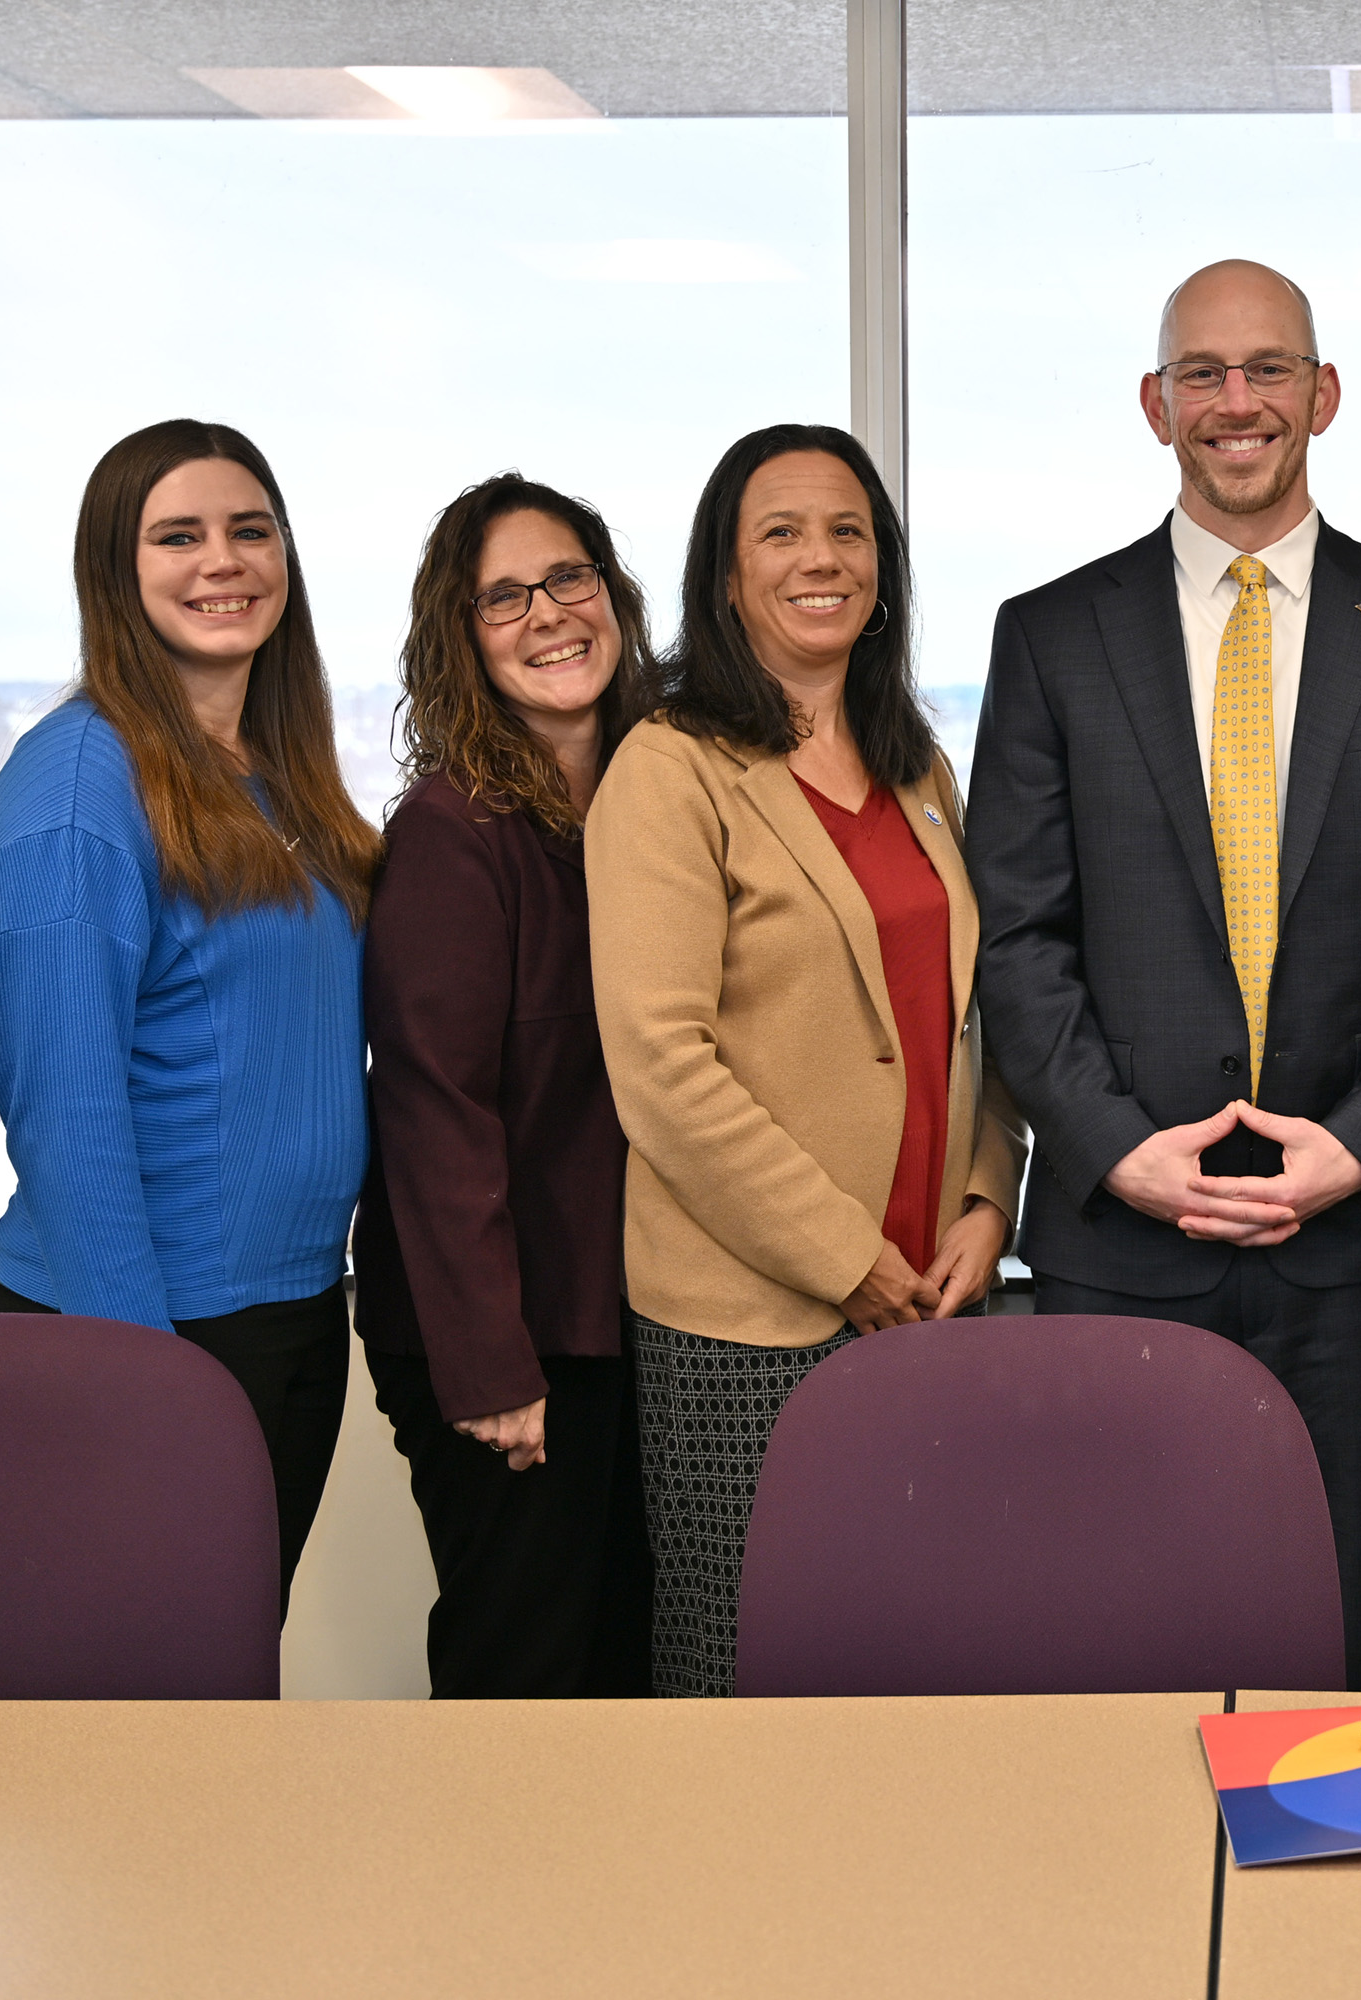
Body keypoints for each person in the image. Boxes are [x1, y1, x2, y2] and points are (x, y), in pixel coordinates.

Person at [967, 260, 1361, 1694]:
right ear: (1156, 407)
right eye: (1202, 375)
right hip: (1123, 1241)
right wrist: (1120, 1149)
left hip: (1356, 1248)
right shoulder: (1051, 634)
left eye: (1268, 369)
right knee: (1116, 1632)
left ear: (1323, 396)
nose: (1237, 402)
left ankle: (1339, 1917)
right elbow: (1016, 938)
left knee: (1342, 1641)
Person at [588, 424, 1026, 1698]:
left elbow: (978, 1013)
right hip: (750, 1327)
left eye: (847, 531)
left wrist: (989, 1202)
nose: (818, 557)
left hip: (932, 1302)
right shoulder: (669, 771)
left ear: (882, 567)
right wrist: (848, 1262)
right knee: (748, 1681)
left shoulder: (918, 765)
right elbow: (663, 1068)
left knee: (914, 1661)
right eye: (779, 532)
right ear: (725, 578)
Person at [0, 418, 382, 1593]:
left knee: (219, 1693)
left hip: (287, 1310)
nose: (224, 561)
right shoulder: (77, 781)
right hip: (150, 1329)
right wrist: (138, 1378)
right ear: (117, 569)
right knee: (134, 1716)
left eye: (251, 530)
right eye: (179, 535)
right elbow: (62, 1108)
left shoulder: (274, 770)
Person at [350, 474, 658, 1697]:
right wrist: (490, 1366)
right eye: (503, 597)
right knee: (520, 1674)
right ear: (460, 639)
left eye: (569, 578)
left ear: (614, 597)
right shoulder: (452, 829)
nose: (547, 613)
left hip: (622, 1313)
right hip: (506, 1333)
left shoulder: (652, 801)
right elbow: (434, 1112)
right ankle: (482, 1894)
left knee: (631, 1667)